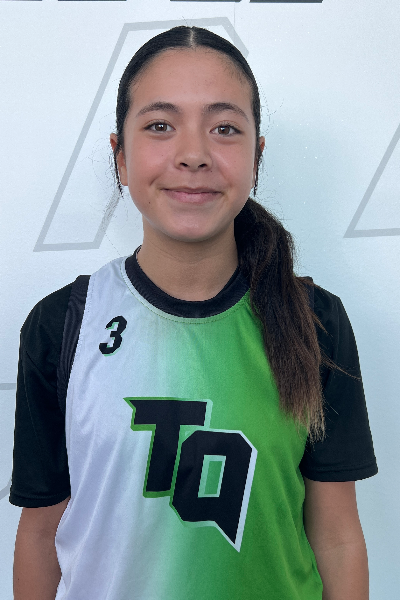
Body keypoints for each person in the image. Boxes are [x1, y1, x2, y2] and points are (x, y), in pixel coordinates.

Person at [10, 25, 377, 600]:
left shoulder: (315, 321)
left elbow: (337, 536)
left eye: (224, 128)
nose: (193, 155)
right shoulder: (63, 324)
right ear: (120, 156)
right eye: (160, 125)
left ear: (256, 156)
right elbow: (39, 533)